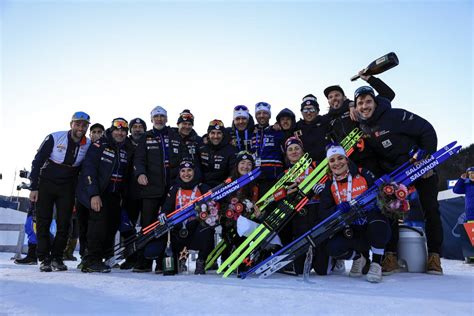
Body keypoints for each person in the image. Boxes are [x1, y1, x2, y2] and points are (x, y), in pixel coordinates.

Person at [354, 84, 443, 275]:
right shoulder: (362, 128)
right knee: (388, 212)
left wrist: (428, 158)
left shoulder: (394, 115)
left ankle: (434, 257)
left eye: (368, 101)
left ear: (375, 103)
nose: (364, 106)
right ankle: (391, 256)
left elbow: (426, 129)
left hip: (419, 168)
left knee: (431, 209)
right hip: (396, 176)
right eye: (360, 103)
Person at [29, 111, 91, 272]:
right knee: (43, 221)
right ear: (71, 124)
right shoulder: (55, 137)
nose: (80, 127)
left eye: (84, 125)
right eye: (77, 124)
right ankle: (43, 258)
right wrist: (33, 187)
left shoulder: (88, 144)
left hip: (68, 186)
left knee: (65, 224)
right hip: (46, 183)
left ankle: (57, 257)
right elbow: (37, 161)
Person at [319, 144, 391, 283]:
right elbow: (323, 212)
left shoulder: (363, 173)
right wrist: (338, 209)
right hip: (351, 229)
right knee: (333, 248)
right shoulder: (330, 184)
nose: (337, 163)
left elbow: (381, 196)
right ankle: (359, 258)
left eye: (340, 158)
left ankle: (376, 263)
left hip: (370, 224)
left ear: (346, 159)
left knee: (378, 221)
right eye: (332, 160)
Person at [77, 118, 133, 273]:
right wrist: (94, 194)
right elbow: (89, 170)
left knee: (112, 226)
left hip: (114, 194)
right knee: (97, 225)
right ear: (111, 130)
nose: (120, 133)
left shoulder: (126, 148)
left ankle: (100, 258)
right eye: (117, 130)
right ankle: (90, 260)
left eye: (123, 130)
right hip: (98, 192)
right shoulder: (99, 145)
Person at [144, 161, 213, 275]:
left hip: (195, 227)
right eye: (183, 171)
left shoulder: (202, 187)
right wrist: (162, 215)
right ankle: (174, 261)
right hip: (179, 227)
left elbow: (212, 206)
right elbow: (166, 207)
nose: (186, 174)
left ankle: (200, 262)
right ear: (179, 173)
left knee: (207, 229)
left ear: (194, 172)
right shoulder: (175, 188)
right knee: (167, 234)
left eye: (189, 170)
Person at [323, 74, 395, 175]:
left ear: (344, 97)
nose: (334, 98)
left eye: (337, 95)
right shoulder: (327, 119)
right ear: (328, 101)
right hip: (348, 164)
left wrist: (370, 79)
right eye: (330, 97)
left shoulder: (358, 107)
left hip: (371, 158)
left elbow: (388, 94)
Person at [133, 105, 171, 272]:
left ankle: (163, 262)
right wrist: (140, 173)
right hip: (150, 189)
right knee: (148, 226)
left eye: (162, 116)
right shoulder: (146, 137)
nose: (159, 119)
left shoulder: (173, 134)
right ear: (152, 119)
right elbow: (138, 159)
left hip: (169, 189)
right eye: (156, 117)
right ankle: (144, 262)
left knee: (166, 225)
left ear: (166, 119)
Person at [119, 118, 147, 270]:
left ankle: (143, 259)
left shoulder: (149, 142)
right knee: (127, 227)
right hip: (128, 192)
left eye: (140, 127)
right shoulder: (124, 143)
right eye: (134, 127)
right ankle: (130, 256)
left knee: (146, 227)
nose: (137, 129)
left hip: (147, 192)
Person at [75, 122, 105, 268]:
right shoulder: (83, 147)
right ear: (90, 134)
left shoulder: (104, 148)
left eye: (100, 132)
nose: (97, 134)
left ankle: (94, 256)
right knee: (82, 226)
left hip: (96, 192)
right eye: (94, 132)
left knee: (95, 226)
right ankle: (83, 256)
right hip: (81, 193)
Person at [252, 102, 285, 194]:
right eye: (259, 113)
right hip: (255, 177)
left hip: (273, 178)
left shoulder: (276, 131)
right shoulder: (252, 133)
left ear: (269, 116)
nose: (262, 116)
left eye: (265, 113)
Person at [168, 109, 203, 183]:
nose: (187, 127)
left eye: (189, 124)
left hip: (192, 181)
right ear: (178, 124)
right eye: (184, 123)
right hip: (172, 180)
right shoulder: (169, 137)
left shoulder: (198, 140)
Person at [199, 119, 236, 188]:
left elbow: (233, 172)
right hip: (203, 187)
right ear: (208, 134)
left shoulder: (230, 150)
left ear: (223, 134)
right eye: (213, 133)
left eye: (219, 133)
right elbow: (197, 169)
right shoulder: (202, 148)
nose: (216, 136)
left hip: (222, 188)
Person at [294, 95, 329, 163]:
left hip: (326, 163)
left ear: (317, 111)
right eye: (305, 110)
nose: (308, 113)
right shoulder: (296, 126)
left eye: (312, 109)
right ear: (301, 112)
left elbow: (338, 110)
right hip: (306, 166)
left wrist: (350, 105)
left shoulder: (325, 120)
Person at [453, 167, 474, 263]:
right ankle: (471, 257)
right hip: (470, 215)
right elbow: (456, 190)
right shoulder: (466, 185)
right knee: (471, 236)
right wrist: (461, 179)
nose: (472, 175)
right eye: (470, 173)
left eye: (473, 173)